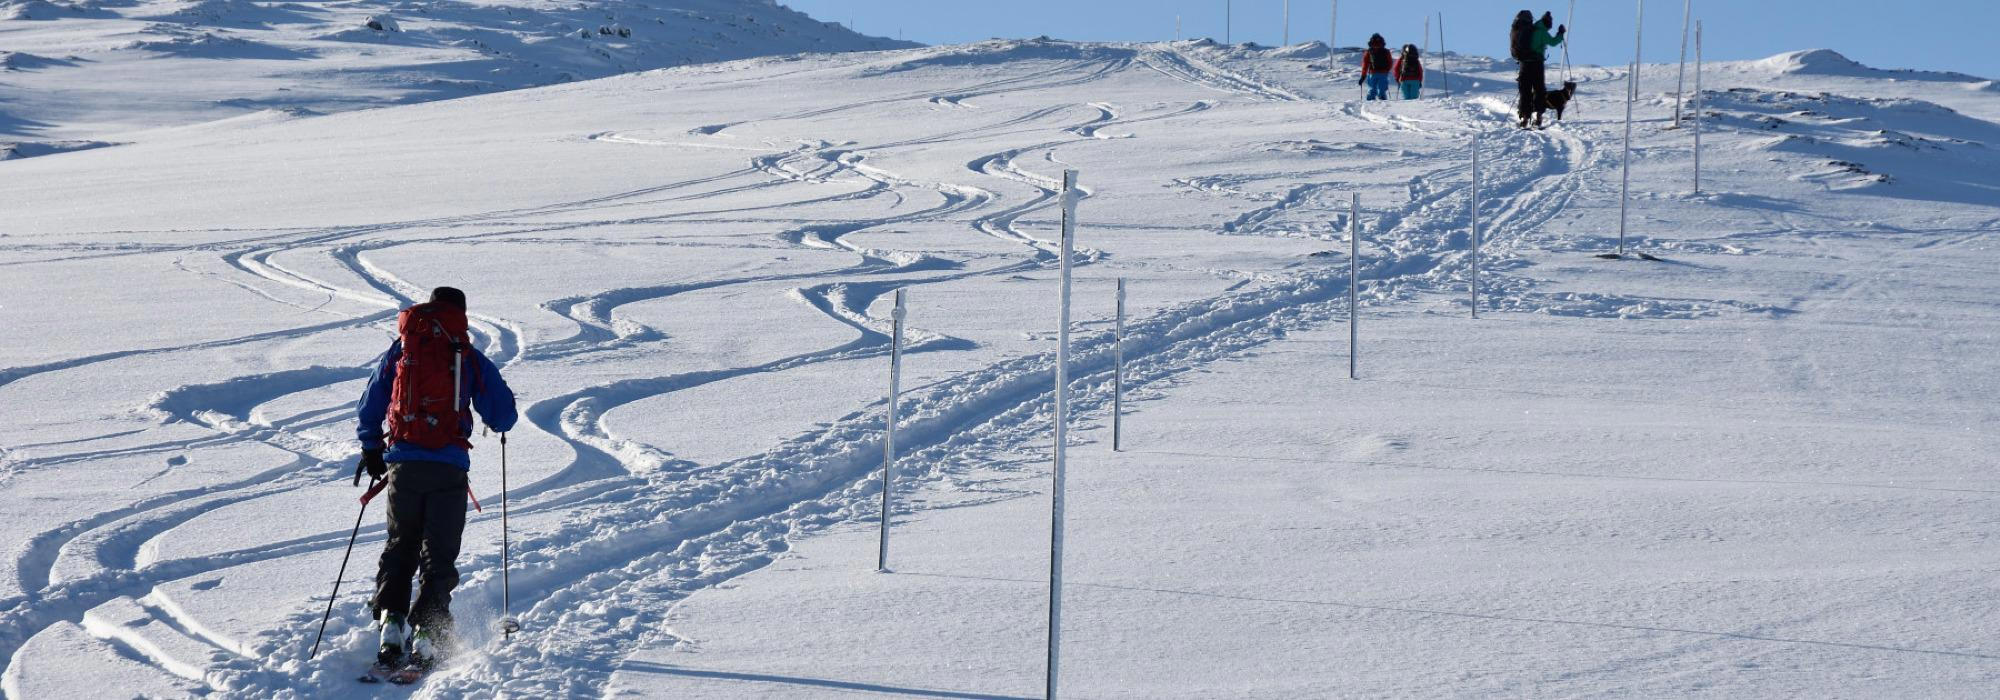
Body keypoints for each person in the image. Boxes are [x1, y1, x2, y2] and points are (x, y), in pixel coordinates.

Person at [355, 286, 517, 670]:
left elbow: (370, 402)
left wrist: (372, 447)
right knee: (438, 553)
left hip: (403, 465)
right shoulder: (466, 356)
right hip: (448, 466)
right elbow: (503, 415)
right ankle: (428, 632)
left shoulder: (403, 350)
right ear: (460, 315)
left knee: (401, 543)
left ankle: (391, 624)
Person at [1510, 10, 1566, 128]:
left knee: (1525, 91)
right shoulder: (1541, 32)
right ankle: (1539, 118)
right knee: (1539, 90)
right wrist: (1560, 33)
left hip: (1524, 64)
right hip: (1537, 65)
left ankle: (1525, 118)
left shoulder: (1529, 29)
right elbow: (1553, 42)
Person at [1357, 34, 1394, 101]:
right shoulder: (1386, 51)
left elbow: (1365, 64)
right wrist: (1387, 70)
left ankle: (1370, 101)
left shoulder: (1369, 51)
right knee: (1382, 88)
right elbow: (1390, 62)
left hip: (1372, 73)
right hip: (1383, 73)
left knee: (1372, 88)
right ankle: (1383, 100)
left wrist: (1363, 76)